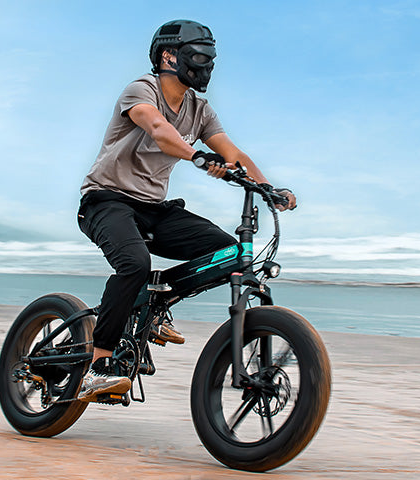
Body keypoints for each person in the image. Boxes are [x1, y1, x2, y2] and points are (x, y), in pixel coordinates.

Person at [75, 19, 297, 402]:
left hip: (153, 208)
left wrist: (268, 189)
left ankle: (154, 307)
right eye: (199, 56)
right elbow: (159, 129)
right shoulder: (141, 89)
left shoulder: (200, 109)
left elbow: (235, 155)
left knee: (228, 251)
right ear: (168, 56)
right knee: (134, 264)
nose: (206, 65)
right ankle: (98, 366)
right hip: (106, 200)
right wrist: (196, 155)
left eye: (211, 58)